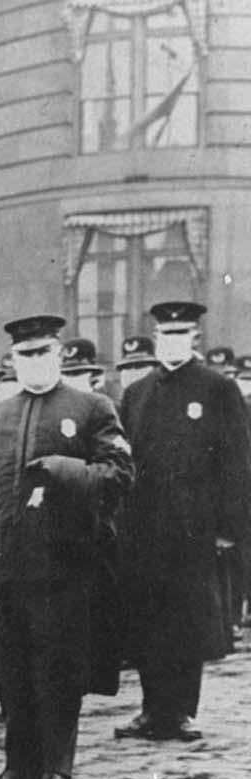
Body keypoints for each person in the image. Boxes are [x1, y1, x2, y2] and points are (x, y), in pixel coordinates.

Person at [0, 314, 134, 779]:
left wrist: (68, 470)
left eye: (42, 352)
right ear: (11, 361)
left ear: (59, 354)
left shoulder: (90, 408)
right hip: (4, 565)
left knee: (56, 671)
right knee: (12, 674)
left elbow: (121, 473)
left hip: (62, 565)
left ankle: (56, 768)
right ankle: (18, 768)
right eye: (24, 355)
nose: (34, 362)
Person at [114, 302, 251, 742]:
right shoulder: (137, 394)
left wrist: (230, 527)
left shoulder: (217, 389)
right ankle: (152, 709)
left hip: (194, 528)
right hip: (144, 527)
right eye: (164, 335)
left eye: (181, 334)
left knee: (186, 622)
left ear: (194, 337)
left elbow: (237, 463)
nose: (172, 342)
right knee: (148, 618)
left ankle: (180, 711)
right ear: (156, 339)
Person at [113, 335, 160, 404]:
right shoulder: (114, 408)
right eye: (127, 367)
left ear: (155, 368)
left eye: (140, 366)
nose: (133, 372)